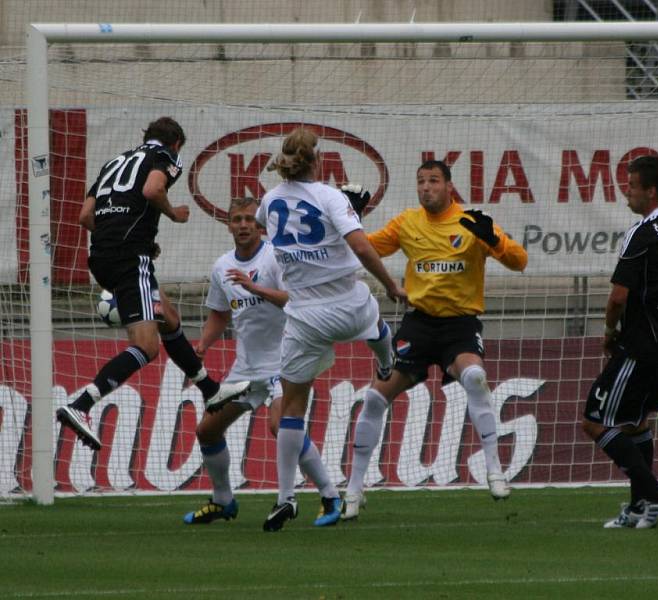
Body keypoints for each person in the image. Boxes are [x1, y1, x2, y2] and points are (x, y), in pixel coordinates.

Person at [342, 159, 528, 521]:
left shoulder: (471, 222)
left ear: (448, 186)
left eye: (433, 181)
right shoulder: (408, 223)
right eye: (421, 181)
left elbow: (520, 261)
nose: (426, 187)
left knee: (474, 377)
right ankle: (353, 489)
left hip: (460, 325)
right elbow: (365, 249)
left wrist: (494, 240)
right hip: (419, 325)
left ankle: (494, 470)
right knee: (375, 397)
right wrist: (351, 221)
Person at [57, 117, 249, 450]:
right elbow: (152, 190)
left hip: (102, 257)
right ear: (176, 143)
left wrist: (129, 238)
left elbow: (86, 216)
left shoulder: (113, 162)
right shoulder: (166, 157)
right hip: (131, 260)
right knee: (146, 346)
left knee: (168, 316)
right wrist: (174, 213)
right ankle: (82, 404)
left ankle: (210, 390)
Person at [255, 127, 405, 532]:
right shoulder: (330, 196)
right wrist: (391, 284)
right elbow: (359, 246)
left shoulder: (269, 200)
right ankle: (387, 361)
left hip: (304, 315)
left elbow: (268, 224)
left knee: (291, 409)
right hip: (347, 303)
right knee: (375, 323)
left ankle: (285, 497)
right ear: (318, 161)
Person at [182, 197, 342, 527]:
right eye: (236, 219)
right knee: (207, 431)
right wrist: (203, 344)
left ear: (260, 225)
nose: (242, 225)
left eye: (248, 220)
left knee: (280, 426)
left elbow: (295, 299)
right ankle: (224, 500)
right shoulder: (222, 266)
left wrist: (255, 287)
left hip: (283, 363)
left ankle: (330, 495)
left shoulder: (275, 258)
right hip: (245, 369)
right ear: (228, 225)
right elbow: (220, 313)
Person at [582, 155, 658, 529]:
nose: (626, 193)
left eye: (631, 186)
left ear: (650, 191)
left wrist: (610, 332)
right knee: (636, 423)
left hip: (643, 342)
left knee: (595, 422)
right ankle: (639, 508)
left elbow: (618, 297)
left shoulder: (641, 231)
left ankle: (657, 495)